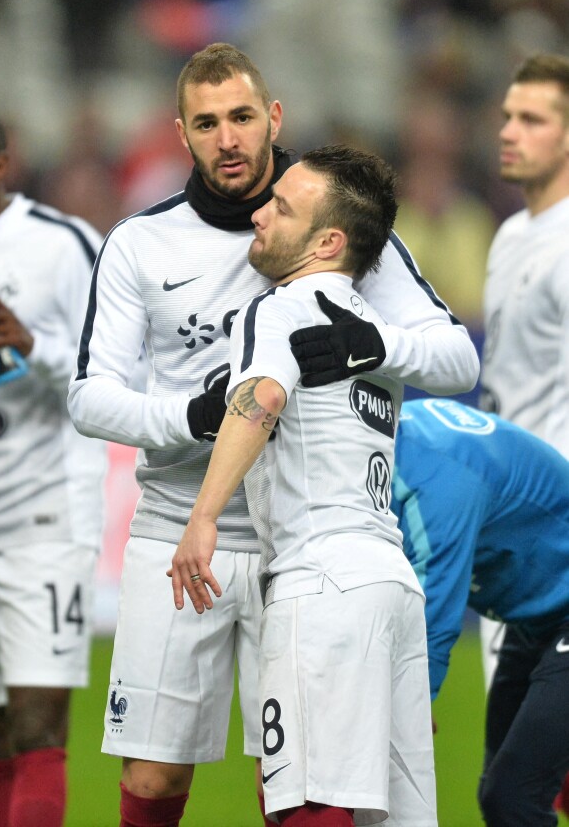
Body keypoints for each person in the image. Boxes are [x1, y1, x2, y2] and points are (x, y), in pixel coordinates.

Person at [67, 43, 478, 827]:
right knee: (152, 781)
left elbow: (455, 355)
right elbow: (91, 399)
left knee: (291, 778)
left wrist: (379, 346)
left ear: (274, 117)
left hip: (295, 547)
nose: (229, 139)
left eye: (244, 118)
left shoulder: (333, 222)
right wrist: (189, 417)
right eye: (208, 123)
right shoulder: (140, 244)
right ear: (180, 133)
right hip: (178, 531)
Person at [170, 145, 438, 827]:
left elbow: (259, 397)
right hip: (392, 587)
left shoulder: (283, 306)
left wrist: (203, 516)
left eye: (281, 208)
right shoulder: (373, 333)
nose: (259, 214)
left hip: (320, 583)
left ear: (327, 241)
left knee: (307, 805)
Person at [0, 109, 106, 827]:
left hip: (44, 518)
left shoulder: (61, 246)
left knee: (36, 722)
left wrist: (33, 346)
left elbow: (113, 376)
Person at [391, 397, 569, 827]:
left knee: (513, 797)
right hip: (536, 617)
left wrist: (404, 711)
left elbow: (435, 619)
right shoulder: (401, 434)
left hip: (553, 610)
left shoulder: (436, 479)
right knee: (503, 798)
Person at [479, 52, 569, 818]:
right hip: (519, 544)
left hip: (561, 534)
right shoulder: (510, 236)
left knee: (515, 788)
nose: (509, 131)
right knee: (510, 785)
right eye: (508, 115)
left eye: (533, 118)